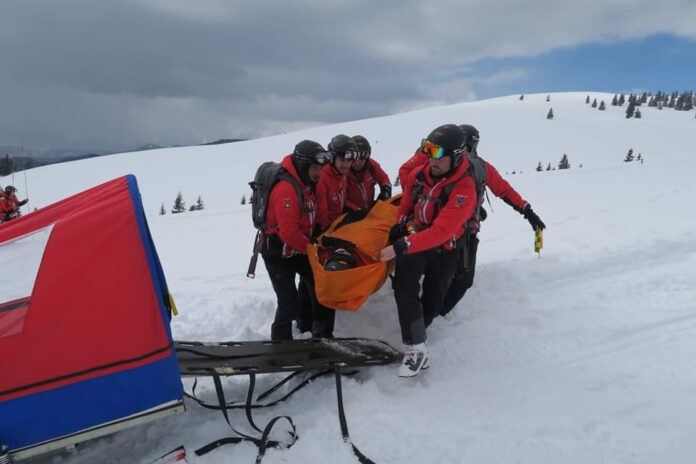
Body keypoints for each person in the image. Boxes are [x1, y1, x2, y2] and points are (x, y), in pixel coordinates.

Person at [379, 124, 477, 378]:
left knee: (433, 301)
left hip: (444, 248)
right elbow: (406, 205)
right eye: (428, 150)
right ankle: (416, 348)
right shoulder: (420, 175)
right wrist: (401, 226)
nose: (431, 159)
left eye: (437, 153)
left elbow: (441, 231)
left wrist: (401, 245)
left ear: (456, 156)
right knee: (404, 287)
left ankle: (419, 329)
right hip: (416, 238)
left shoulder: (464, 189)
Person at [440, 124, 546, 317]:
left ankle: (430, 309)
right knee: (463, 278)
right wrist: (528, 212)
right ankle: (438, 313)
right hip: (462, 230)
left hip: (440, 226)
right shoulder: (481, 167)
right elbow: (505, 191)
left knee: (444, 271)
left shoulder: (443, 162)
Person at [260, 140, 336, 340]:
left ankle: (321, 334)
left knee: (322, 285)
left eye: (320, 168)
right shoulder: (286, 190)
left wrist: (324, 234)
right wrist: (313, 249)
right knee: (288, 301)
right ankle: (281, 343)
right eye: (314, 168)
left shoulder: (308, 183)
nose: (319, 173)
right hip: (277, 251)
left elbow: (319, 212)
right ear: (303, 166)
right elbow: (288, 233)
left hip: (296, 249)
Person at [315, 134, 357, 230]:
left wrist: (356, 210)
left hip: (336, 224)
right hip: (325, 229)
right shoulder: (323, 178)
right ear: (332, 158)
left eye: (349, 161)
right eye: (342, 160)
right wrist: (327, 230)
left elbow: (341, 201)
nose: (346, 165)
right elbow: (321, 213)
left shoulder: (341, 175)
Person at [344, 135, 392, 211]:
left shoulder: (371, 165)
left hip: (369, 210)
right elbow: (340, 198)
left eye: (362, 158)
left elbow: (384, 178)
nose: (357, 163)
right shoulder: (343, 171)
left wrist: (386, 190)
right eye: (354, 159)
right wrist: (356, 210)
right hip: (349, 213)